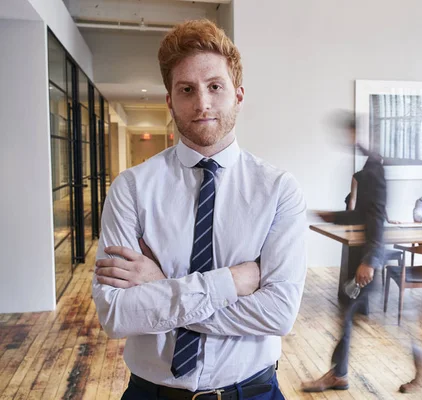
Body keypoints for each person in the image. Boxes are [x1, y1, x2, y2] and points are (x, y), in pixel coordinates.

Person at [92, 20, 306, 400]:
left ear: (238, 95)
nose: (202, 102)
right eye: (187, 89)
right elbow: (116, 315)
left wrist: (160, 288)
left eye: (215, 87)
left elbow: (278, 314)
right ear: (170, 100)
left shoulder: (278, 190)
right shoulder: (131, 188)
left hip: (253, 392)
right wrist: (231, 283)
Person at [301, 112, 387, 392]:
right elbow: (361, 214)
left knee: (349, 314)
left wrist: (370, 261)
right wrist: (331, 216)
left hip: (364, 259)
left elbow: (375, 219)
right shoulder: (370, 167)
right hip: (362, 257)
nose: (348, 140)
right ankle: (339, 373)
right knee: (349, 314)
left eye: (351, 134)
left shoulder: (373, 172)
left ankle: (339, 374)